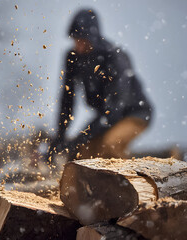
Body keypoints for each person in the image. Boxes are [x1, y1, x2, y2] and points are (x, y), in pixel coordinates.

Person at [49, 9, 153, 162]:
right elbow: (67, 101)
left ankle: (131, 181)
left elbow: (115, 109)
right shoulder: (73, 59)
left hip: (134, 114)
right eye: (75, 40)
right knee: (81, 154)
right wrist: (59, 138)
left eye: (83, 40)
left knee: (110, 144)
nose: (78, 45)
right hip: (106, 116)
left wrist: (80, 138)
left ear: (93, 38)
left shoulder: (114, 57)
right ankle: (88, 185)